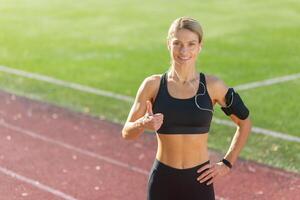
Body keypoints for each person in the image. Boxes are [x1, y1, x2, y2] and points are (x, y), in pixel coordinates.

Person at [121, 16, 252, 200]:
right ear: (168, 44)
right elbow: (127, 132)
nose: (184, 51)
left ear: (200, 46)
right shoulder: (153, 85)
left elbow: (244, 121)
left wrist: (227, 163)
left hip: (199, 182)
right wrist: (142, 124)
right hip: (163, 181)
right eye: (177, 43)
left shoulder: (213, 86)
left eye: (191, 44)